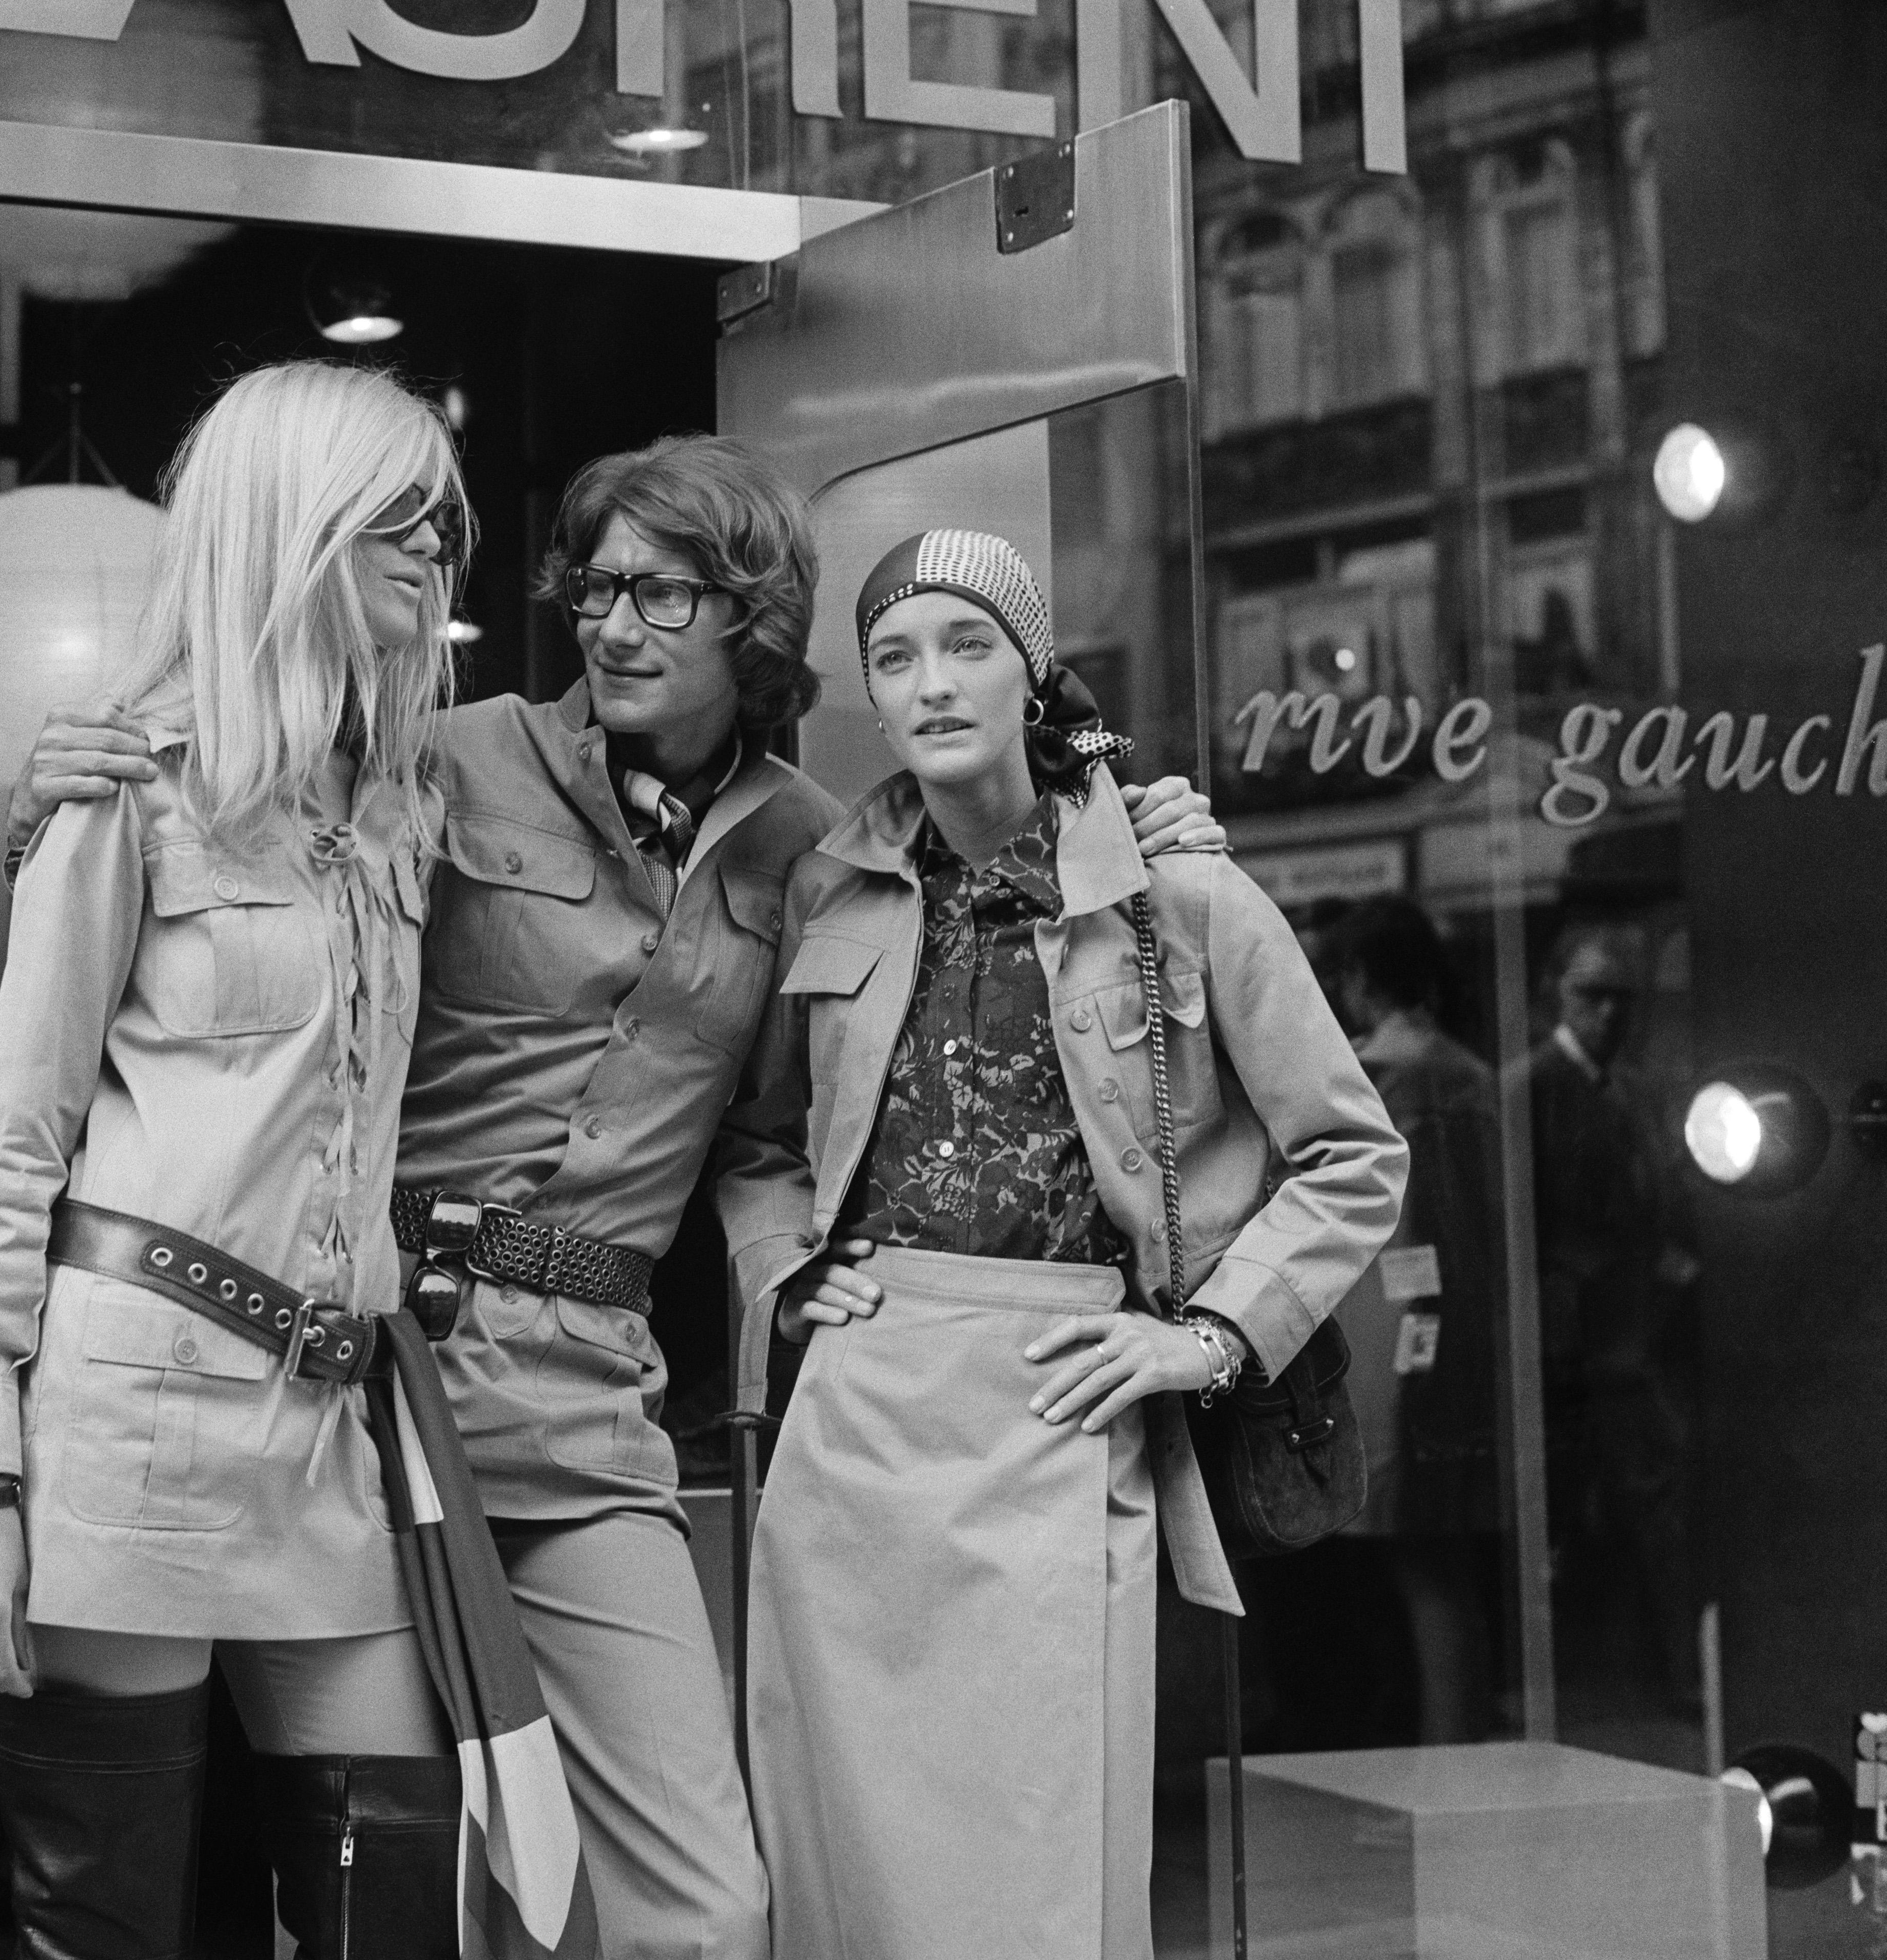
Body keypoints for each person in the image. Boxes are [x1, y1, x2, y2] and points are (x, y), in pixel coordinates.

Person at [12, 437, 1224, 1960]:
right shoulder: (439, 760)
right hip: (374, 1386)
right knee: (402, 1881)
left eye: (659, 592)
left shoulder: (814, 846)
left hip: (587, 1401)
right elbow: (203, 852)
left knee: (703, 1910)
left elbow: (808, 1100)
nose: (611, 624)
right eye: (594, 588)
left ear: (750, 622)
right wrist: (45, 802)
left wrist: (1156, 841)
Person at [0, 361, 592, 1960]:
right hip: (127, 1425)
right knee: (101, 1918)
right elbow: (13, 1144)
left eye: (440, 522)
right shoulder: (132, 786)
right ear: (291, 528)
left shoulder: (395, 803)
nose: (431, 552)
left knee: (390, 1897)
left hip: (330, 1426)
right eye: (394, 519)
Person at [714, 531, 1406, 1960]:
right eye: (894, 657)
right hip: (853, 1419)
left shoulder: (1178, 896)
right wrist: (785, 1274)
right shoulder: (828, 891)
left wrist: (1206, 1336)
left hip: (1055, 1400)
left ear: (1029, 671)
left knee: (1034, 1876)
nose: (930, 685)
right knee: (831, 1859)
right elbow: (759, 1144)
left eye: (967, 644)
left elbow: (1350, 1155)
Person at [1314, 895, 1505, 1743]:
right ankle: (1444, 1748)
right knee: (1434, 1560)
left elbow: (1412, 1233)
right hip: (1438, 1334)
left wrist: (1413, 1343)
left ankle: (1443, 1758)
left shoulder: (1392, 1080)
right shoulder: (1464, 1073)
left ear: (1357, 980)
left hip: (1396, 1339)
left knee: (1422, 1560)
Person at [1518, 920, 1701, 1709]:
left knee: (1654, 1513)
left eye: (1621, 999)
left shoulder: (1632, 1090)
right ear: (1554, 993)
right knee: (1558, 1527)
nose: (1608, 1014)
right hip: (1562, 1349)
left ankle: (1672, 1680)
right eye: (1590, 995)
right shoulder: (1529, 1090)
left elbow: (1657, 1204)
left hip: (1627, 1342)